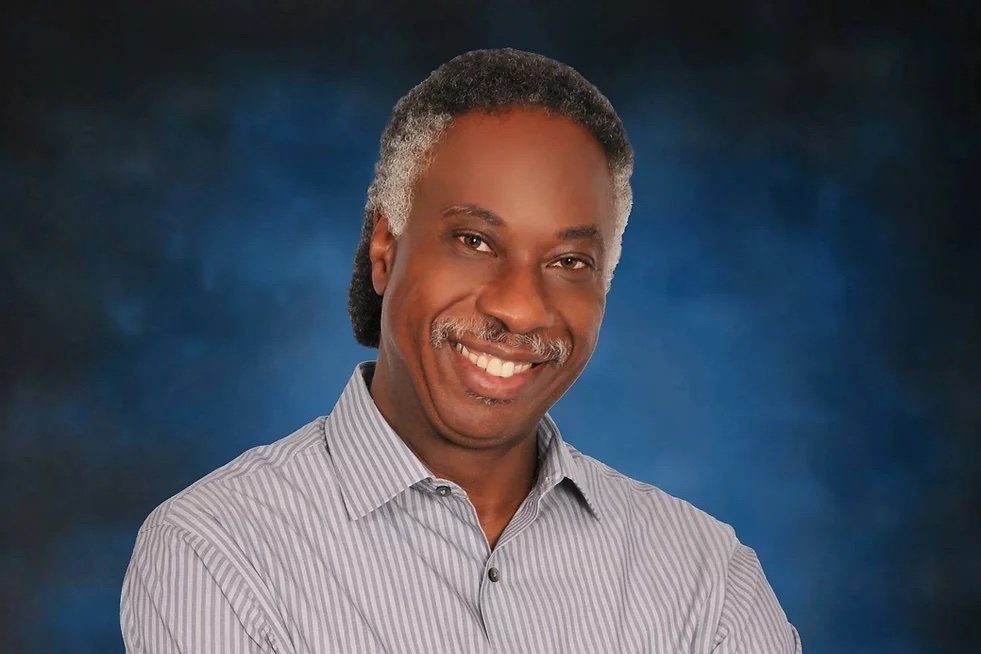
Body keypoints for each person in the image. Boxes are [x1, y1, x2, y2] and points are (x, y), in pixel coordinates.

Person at [121, 48, 801, 653]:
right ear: (385, 252)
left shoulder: (706, 579)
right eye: (473, 241)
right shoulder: (215, 551)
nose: (519, 306)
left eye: (568, 260)